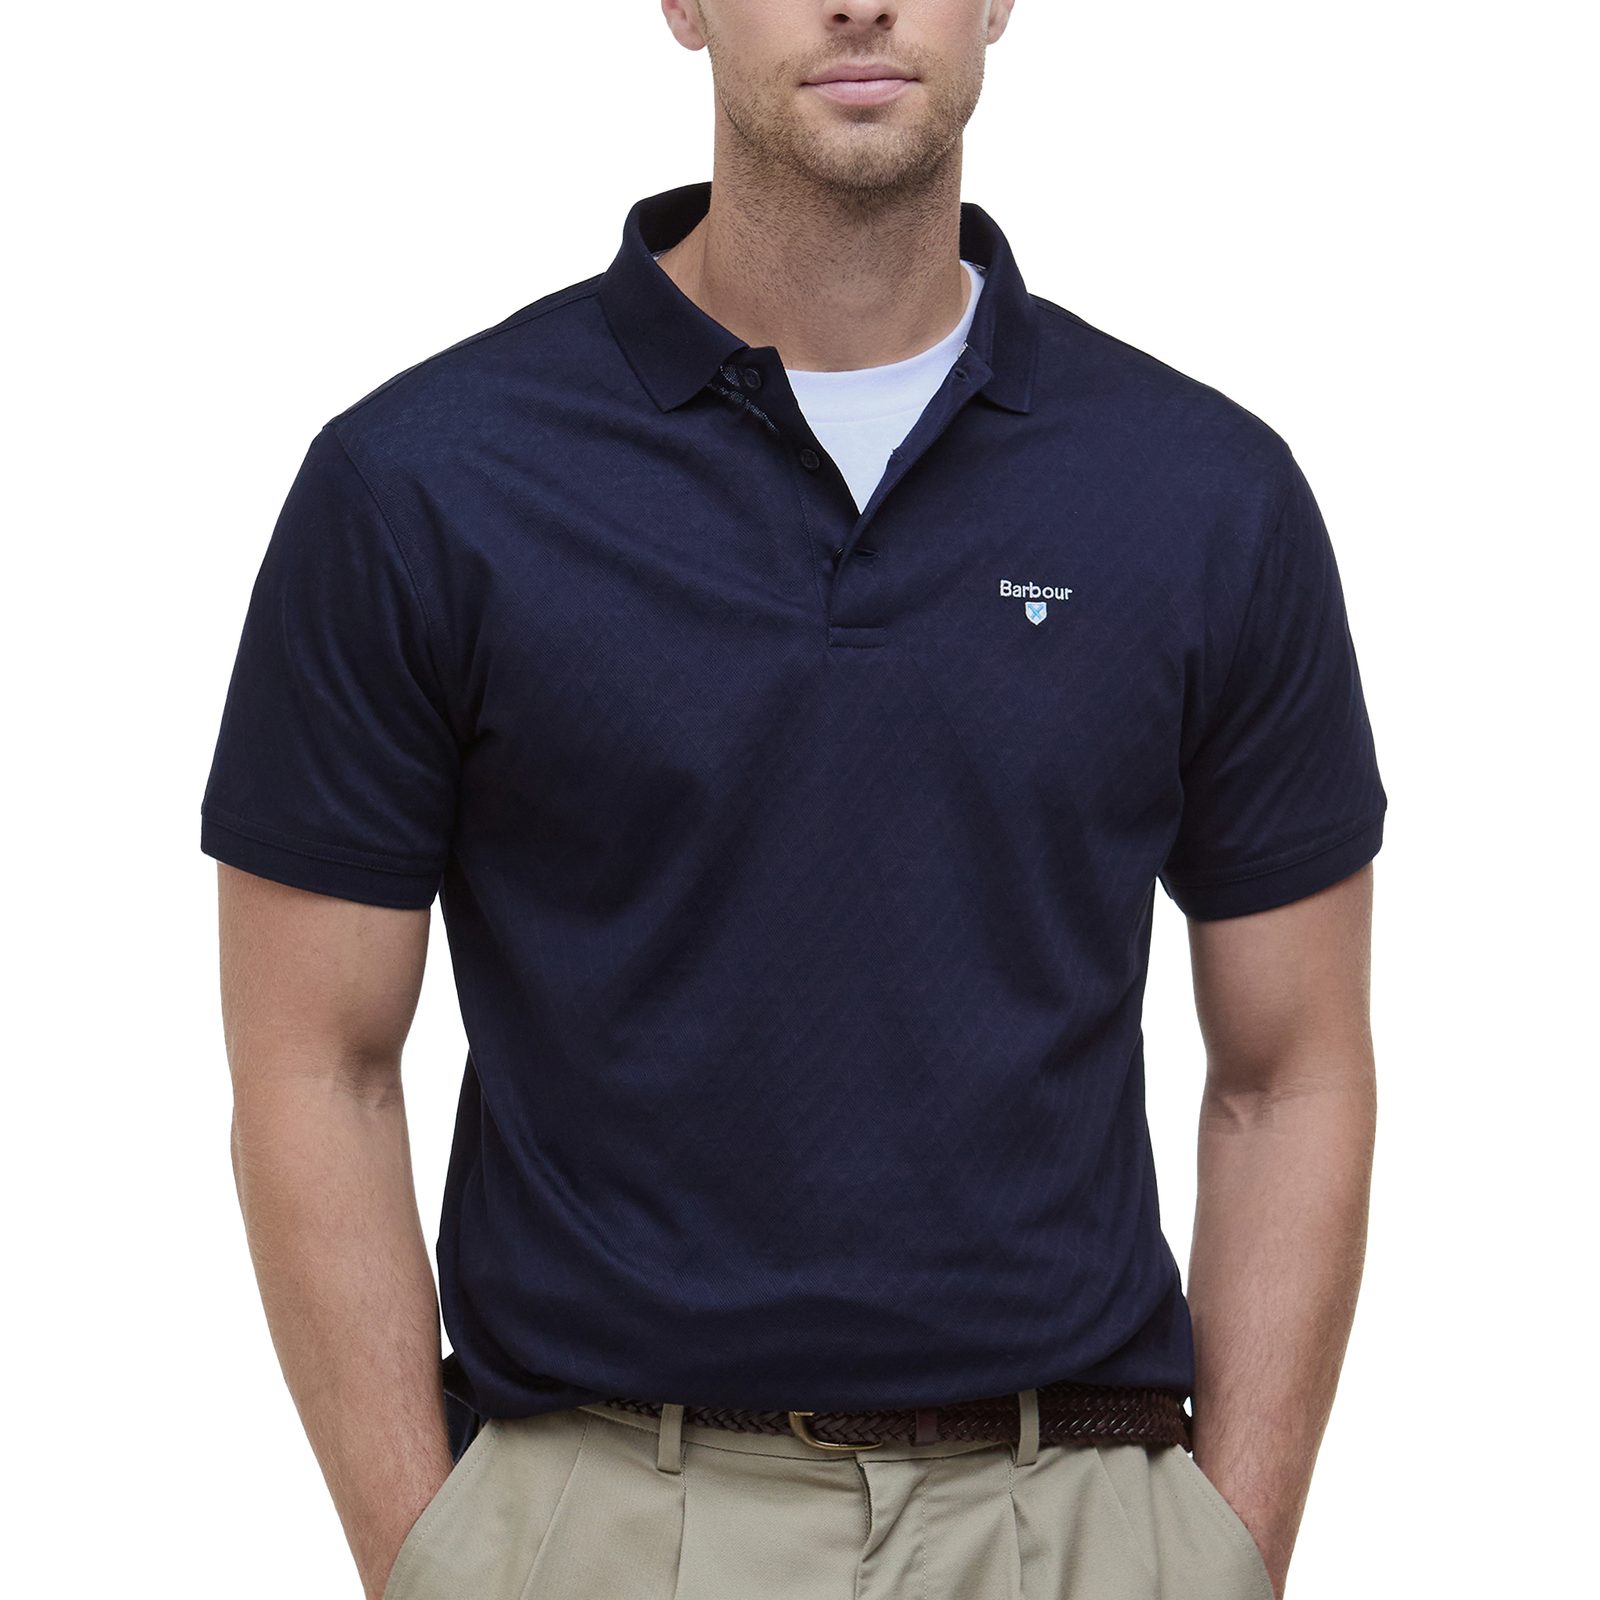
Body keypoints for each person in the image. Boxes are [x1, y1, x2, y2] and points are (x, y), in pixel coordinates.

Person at [200, 2, 1386, 1596]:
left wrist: (1220, 1552)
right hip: (603, 1525)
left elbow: (1291, 1069)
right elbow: (314, 1066)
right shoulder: (423, 485)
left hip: (1074, 1522)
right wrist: (437, 1557)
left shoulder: (1204, 494)